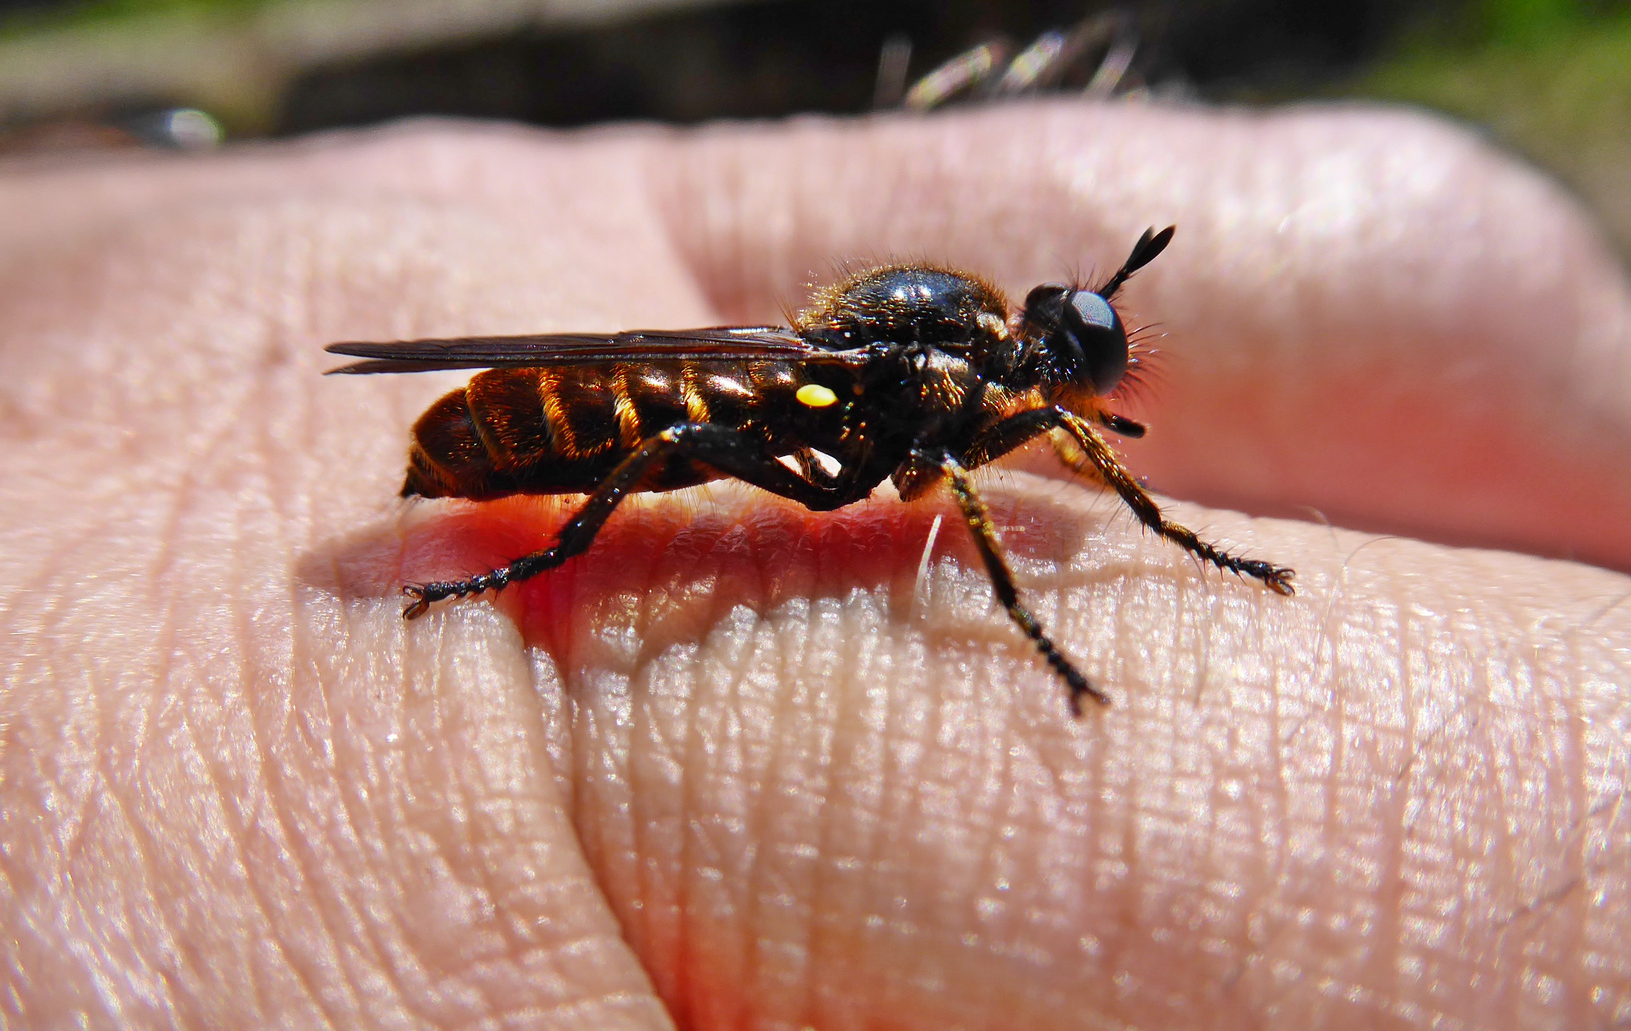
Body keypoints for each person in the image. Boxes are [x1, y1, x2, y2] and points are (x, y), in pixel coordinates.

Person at [1, 99, 1627, 1029]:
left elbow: (999, 456)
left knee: (690, 436)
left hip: (716, 418)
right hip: (550, 430)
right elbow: (943, 484)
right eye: (1067, 354)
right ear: (1012, 347)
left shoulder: (974, 403)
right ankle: (532, 564)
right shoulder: (914, 390)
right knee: (658, 432)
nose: (1071, 384)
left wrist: (1155, 521)